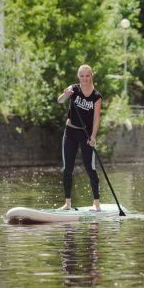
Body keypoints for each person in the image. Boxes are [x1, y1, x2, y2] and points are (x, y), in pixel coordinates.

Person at [57, 64, 103, 211]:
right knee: (67, 169)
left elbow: (97, 118)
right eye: (82, 76)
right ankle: (67, 203)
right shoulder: (74, 89)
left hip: (86, 136)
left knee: (90, 168)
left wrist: (93, 136)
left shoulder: (96, 96)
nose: (84, 78)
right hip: (70, 132)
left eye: (87, 75)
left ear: (91, 76)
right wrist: (66, 94)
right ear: (79, 77)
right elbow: (60, 101)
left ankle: (96, 203)